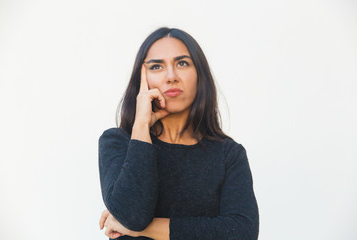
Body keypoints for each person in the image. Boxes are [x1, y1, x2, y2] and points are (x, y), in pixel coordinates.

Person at [98, 27, 259, 240]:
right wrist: (141, 126)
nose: (171, 77)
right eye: (156, 67)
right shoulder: (118, 142)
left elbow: (242, 232)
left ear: (199, 74)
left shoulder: (228, 154)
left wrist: (145, 229)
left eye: (182, 63)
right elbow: (132, 215)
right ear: (141, 78)